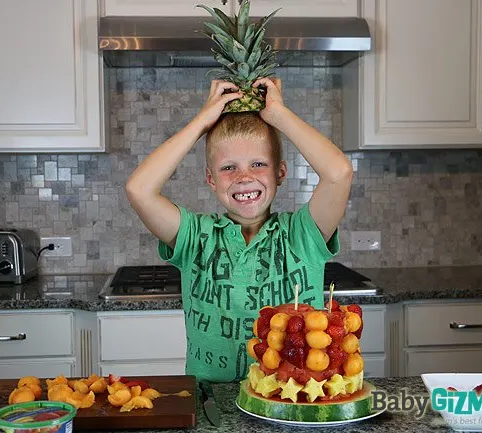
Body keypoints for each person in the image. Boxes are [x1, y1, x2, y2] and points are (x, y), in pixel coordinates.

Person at [126, 78, 353, 383]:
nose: (244, 177)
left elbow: (339, 173)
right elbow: (139, 189)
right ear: (211, 179)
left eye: (259, 163)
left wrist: (279, 115)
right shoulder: (196, 237)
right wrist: (201, 123)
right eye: (228, 168)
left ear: (280, 173)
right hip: (210, 404)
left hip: (290, 401)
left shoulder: (302, 235)